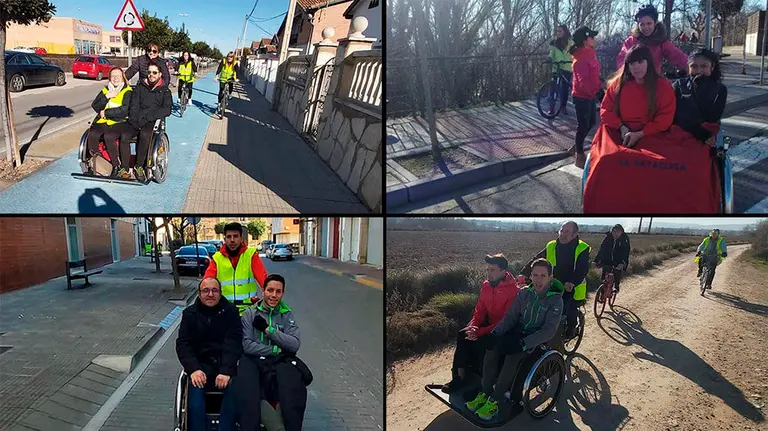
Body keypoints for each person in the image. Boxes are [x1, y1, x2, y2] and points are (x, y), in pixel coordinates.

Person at [465, 259, 564, 421]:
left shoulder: (555, 300)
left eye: (543, 276)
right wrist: (495, 334)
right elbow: (510, 318)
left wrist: (523, 343)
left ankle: (495, 400)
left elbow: (548, 331)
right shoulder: (524, 293)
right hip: (517, 333)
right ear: (530, 276)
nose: (538, 280)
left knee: (512, 357)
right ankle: (485, 392)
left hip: (535, 340)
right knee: (492, 348)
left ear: (550, 277)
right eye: (535, 275)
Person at [238, 274, 308, 431]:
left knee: (293, 387)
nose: (274, 295)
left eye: (278, 291)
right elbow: (247, 345)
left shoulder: (286, 314)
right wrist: (275, 349)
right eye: (270, 290)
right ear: (263, 290)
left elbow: (294, 344)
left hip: (280, 361)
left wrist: (268, 330)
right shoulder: (250, 313)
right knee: (249, 389)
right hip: (255, 360)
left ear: (283, 293)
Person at [441, 254, 520, 394]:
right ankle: (460, 378)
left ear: (503, 271)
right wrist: (473, 327)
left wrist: (479, 332)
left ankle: (482, 384)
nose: (489, 273)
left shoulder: (513, 291)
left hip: (503, 328)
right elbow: (480, 310)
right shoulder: (486, 285)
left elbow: (504, 321)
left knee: (484, 342)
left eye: (492, 270)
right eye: (488, 269)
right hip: (488, 324)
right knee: (463, 335)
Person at [176, 277, 242, 431]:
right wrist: (194, 369)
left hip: (224, 365)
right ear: (199, 294)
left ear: (220, 293)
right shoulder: (190, 314)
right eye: (206, 291)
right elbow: (184, 344)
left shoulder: (231, 312)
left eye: (214, 290)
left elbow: (233, 343)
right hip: (200, 366)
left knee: (235, 397)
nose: (210, 294)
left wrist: (226, 370)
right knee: (195, 405)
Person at [521, 221, 590, 339]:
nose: (563, 233)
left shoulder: (582, 248)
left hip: (572, 287)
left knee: (568, 309)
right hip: (552, 284)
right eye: (562, 230)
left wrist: (572, 282)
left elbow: (582, 269)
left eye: (567, 231)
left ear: (574, 234)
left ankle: (571, 331)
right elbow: (537, 260)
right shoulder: (551, 245)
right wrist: (524, 273)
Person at [601, 45, 676, 149]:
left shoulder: (663, 86)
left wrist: (640, 134)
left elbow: (665, 118)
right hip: (620, 132)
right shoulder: (618, 85)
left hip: (651, 134)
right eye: (632, 63)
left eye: (640, 62)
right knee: (606, 154)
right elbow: (605, 110)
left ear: (648, 63)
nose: (636, 67)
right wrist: (621, 127)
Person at [204, 222, 268, 315]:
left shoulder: (251, 255)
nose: (232, 240)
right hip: (224, 311)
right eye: (229, 237)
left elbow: (264, 281)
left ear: (241, 238)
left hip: (248, 311)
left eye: (235, 236)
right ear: (225, 239)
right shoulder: (217, 259)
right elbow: (207, 283)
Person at [124, 60, 172, 182]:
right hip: (137, 119)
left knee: (145, 135)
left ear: (160, 74)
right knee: (124, 135)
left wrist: (149, 118)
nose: (151, 75)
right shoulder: (140, 87)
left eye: (154, 72)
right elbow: (134, 105)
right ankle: (124, 168)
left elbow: (166, 110)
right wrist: (133, 119)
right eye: (149, 72)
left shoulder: (165, 91)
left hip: (152, 120)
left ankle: (139, 166)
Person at [672, 49, 727, 147]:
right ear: (688, 67)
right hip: (682, 135)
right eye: (694, 66)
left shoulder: (720, 89)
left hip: (707, 134)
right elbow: (679, 116)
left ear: (712, 67)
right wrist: (701, 134)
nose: (699, 71)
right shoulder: (679, 86)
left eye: (704, 66)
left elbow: (713, 117)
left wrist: (700, 89)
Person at [617, 4, 689, 76]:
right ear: (638, 25)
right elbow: (622, 59)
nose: (646, 27)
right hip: (633, 79)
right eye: (642, 24)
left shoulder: (661, 42)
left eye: (649, 23)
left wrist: (691, 66)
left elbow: (677, 56)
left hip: (653, 80)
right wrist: (627, 73)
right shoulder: (631, 41)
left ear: (655, 23)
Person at [87, 67, 133, 177]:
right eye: (113, 76)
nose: (116, 78)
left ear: (123, 78)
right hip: (103, 121)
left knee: (109, 136)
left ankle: (116, 165)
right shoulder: (105, 90)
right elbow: (95, 106)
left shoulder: (127, 91)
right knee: (92, 134)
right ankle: (97, 163)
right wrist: (107, 96)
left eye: (118, 76)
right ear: (109, 78)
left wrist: (106, 113)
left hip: (119, 121)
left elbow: (124, 110)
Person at [569, 26, 602, 168]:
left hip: (590, 94)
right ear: (585, 40)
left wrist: (599, 89)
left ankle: (577, 145)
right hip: (582, 96)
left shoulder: (589, 54)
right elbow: (583, 81)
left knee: (591, 122)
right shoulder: (581, 57)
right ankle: (579, 155)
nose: (594, 39)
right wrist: (596, 93)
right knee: (583, 125)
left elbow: (594, 76)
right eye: (591, 37)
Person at [593, 224, 631, 293]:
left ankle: (616, 287)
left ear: (621, 232)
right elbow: (602, 250)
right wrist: (595, 261)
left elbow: (626, 252)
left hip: (619, 260)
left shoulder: (624, 239)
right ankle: (603, 289)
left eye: (618, 232)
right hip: (607, 259)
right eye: (614, 232)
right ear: (612, 232)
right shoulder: (608, 238)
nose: (616, 234)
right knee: (604, 275)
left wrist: (622, 263)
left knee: (617, 271)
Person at [547, 24, 573, 116]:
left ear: (565, 32)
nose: (558, 33)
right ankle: (552, 107)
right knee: (553, 87)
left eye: (560, 31)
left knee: (564, 88)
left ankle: (563, 107)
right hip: (556, 67)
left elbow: (574, 53)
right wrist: (549, 58)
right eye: (557, 31)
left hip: (567, 67)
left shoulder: (570, 43)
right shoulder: (554, 42)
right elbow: (551, 53)